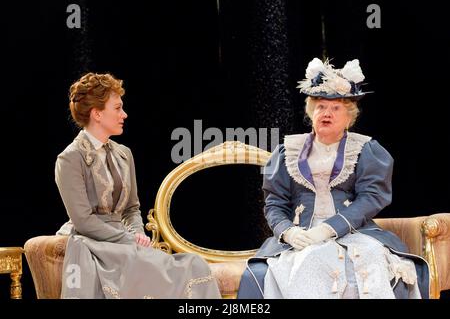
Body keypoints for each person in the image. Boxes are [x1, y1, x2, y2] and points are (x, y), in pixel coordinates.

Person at [237, 58, 430, 299]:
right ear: (311, 112)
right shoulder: (288, 152)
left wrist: (329, 229)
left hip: (353, 232)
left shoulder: (365, 150)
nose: (326, 113)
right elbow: (275, 203)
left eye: (335, 108)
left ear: (349, 117)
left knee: (369, 263)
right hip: (303, 236)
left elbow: (371, 197)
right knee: (302, 262)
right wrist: (288, 232)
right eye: (320, 107)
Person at [55, 72, 221, 299]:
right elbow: (83, 221)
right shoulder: (70, 159)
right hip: (95, 242)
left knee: (195, 264)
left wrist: (138, 235)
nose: (124, 114)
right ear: (97, 114)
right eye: (117, 108)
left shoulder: (124, 154)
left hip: (125, 241)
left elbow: (132, 209)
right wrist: (128, 239)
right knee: (141, 266)